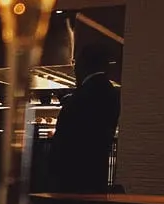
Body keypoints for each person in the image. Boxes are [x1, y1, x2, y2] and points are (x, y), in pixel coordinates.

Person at [49, 44, 121, 193]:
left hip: (72, 179)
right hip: (96, 177)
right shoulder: (109, 92)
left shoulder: (83, 95)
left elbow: (66, 140)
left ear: (83, 64)